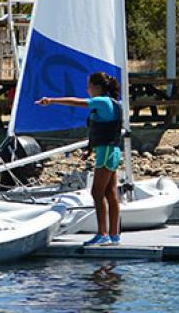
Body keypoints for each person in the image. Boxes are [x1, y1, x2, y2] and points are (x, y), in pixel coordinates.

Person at [36, 71, 123, 247]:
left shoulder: (102, 101)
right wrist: (89, 149)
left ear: (96, 88)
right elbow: (102, 129)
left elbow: (76, 102)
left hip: (106, 152)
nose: (87, 90)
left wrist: (52, 100)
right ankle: (114, 235)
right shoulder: (111, 103)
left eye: (88, 86)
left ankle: (103, 234)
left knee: (97, 193)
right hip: (110, 151)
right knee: (110, 194)